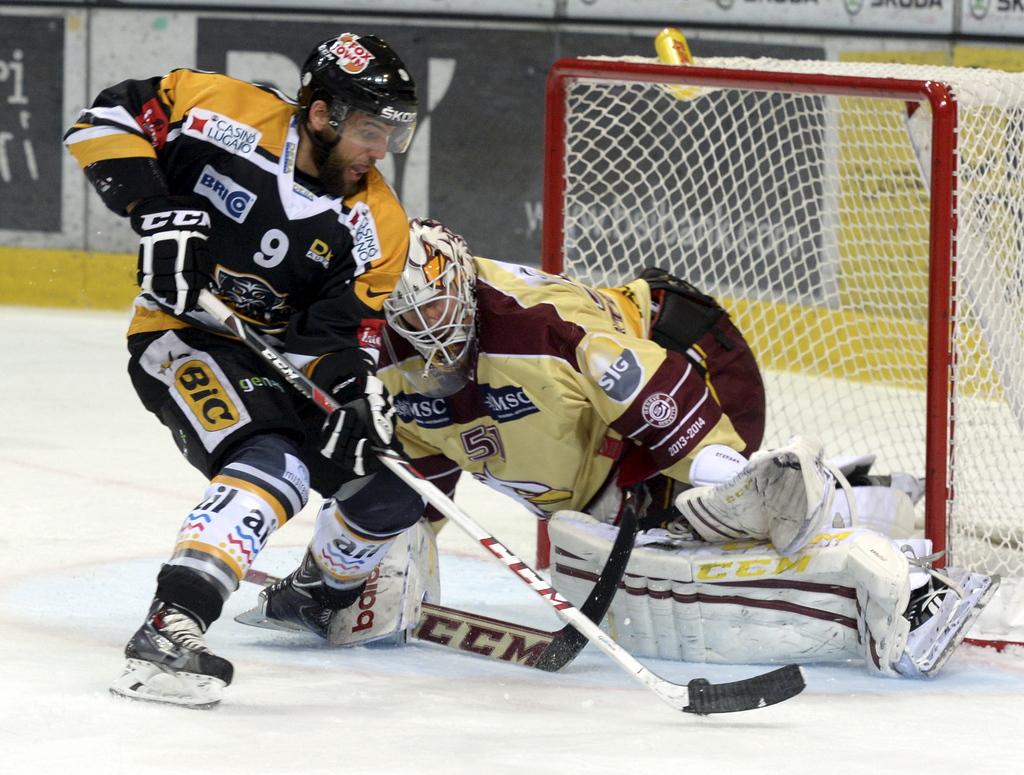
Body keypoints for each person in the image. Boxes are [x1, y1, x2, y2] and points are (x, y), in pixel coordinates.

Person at [366, 217, 997, 677]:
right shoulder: (391, 368)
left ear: (466, 283)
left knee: (717, 525)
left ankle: (913, 579)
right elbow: (420, 486)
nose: (431, 334)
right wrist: (376, 579)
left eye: (441, 309)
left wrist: (733, 480)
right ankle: (869, 494)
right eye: (412, 320)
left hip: (691, 357)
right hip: (611, 450)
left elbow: (661, 406)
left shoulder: (538, 327)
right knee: (593, 537)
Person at [63, 33, 428, 708]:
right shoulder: (217, 110)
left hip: (277, 361)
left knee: (393, 484)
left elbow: (335, 337)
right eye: (371, 130)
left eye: (392, 134)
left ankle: (315, 597)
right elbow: (103, 121)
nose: (381, 152)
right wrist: (155, 211)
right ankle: (169, 628)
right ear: (322, 114)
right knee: (274, 462)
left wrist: (352, 395)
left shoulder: (378, 223)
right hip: (181, 337)